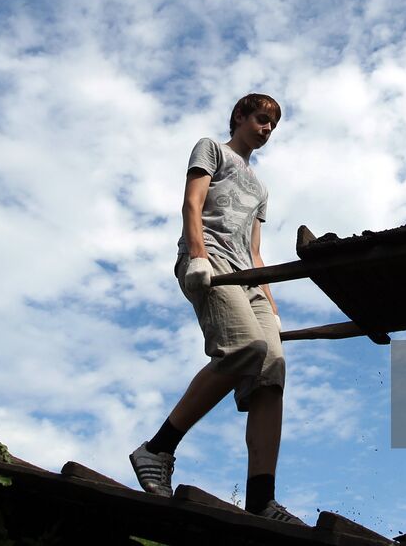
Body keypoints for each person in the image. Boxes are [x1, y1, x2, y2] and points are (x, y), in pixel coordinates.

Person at [128, 93, 304, 525]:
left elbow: (256, 250)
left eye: (272, 125)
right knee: (244, 348)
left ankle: (262, 499)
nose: (266, 129)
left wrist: (272, 305)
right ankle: (157, 449)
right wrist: (198, 254)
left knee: (272, 370)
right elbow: (192, 203)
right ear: (240, 117)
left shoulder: (262, 188)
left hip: (248, 277)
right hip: (213, 262)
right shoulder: (211, 149)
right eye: (262, 119)